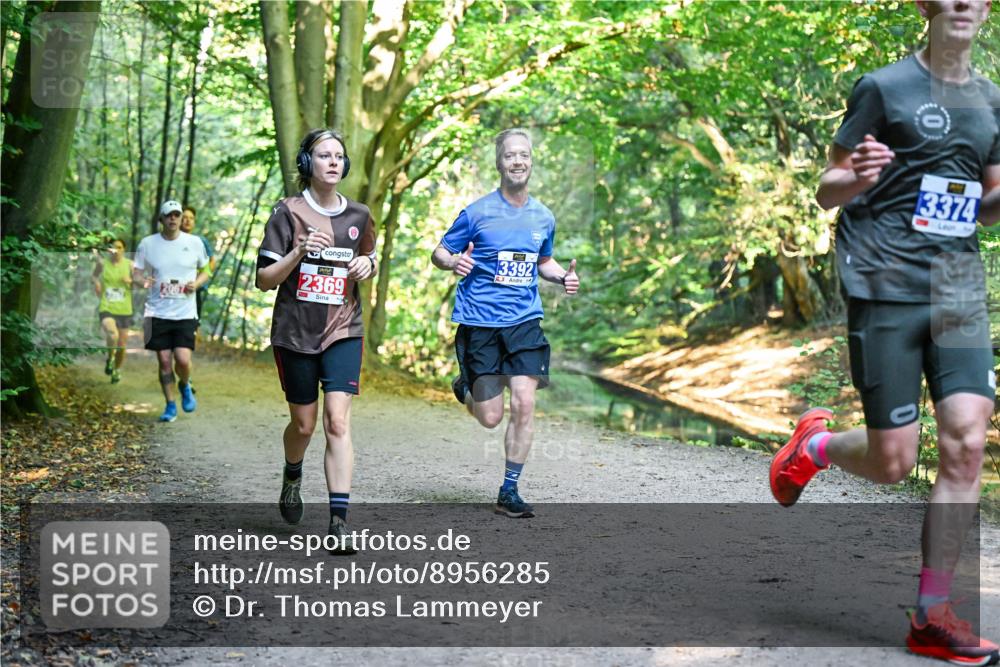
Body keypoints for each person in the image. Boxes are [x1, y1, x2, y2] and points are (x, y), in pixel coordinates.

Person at [769, 2, 1000, 664]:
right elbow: (826, 186)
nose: (963, 4)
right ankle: (814, 443)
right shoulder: (884, 87)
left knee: (964, 443)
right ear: (928, 5)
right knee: (893, 461)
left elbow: (986, 208)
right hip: (885, 287)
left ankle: (931, 615)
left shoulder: (992, 101)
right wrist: (857, 176)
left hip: (957, 291)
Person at [431, 128, 580, 519]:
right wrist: (453, 262)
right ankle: (466, 388)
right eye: (511, 155)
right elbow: (440, 252)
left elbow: (543, 261)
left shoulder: (543, 217)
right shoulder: (477, 212)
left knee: (526, 402)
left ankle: (509, 490)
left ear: (531, 162)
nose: (518, 161)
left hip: (524, 322)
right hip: (480, 323)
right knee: (490, 417)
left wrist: (562, 276)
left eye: (524, 155)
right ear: (499, 163)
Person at [256, 129, 377, 554]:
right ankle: (292, 474)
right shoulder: (286, 212)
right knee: (304, 425)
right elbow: (264, 280)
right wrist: (299, 251)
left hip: (344, 329)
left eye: (339, 156)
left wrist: (366, 264)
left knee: (337, 422)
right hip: (295, 334)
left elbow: (368, 256)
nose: (333, 162)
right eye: (323, 155)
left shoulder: (359, 214)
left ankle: (338, 521)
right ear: (307, 162)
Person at [133, 200, 211, 422]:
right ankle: (170, 405)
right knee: (165, 361)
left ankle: (185, 384)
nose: (174, 219)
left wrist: (196, 283)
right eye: (169, 215)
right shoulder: (148, 244)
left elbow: (206, 270)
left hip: (185, 312)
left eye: (177, 215)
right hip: (157, 312)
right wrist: (143, 282)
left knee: (183, 360)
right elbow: (136, 272)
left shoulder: (194, 243)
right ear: (162, 219)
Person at [92, 238, 133, 384]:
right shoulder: (103, 264)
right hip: (107, 306)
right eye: (113, 247)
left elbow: (143, 282)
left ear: (124, 249)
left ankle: (117, 370)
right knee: (111, 333)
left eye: (119, 247)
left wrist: (131, 281)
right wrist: (96, 283)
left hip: (124, 309)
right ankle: (110, 357)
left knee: (122, 346)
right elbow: (94, 276)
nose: (116, 250)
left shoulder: (130, 265)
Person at [180, 206, 216, 321]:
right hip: (173, 290)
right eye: (184, 217)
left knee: (192, 325)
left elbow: (212, 262)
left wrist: (198, 280)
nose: (188, 220)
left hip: (193, 290)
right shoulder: (170, 240)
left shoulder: (200, 241)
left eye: (191, 218)